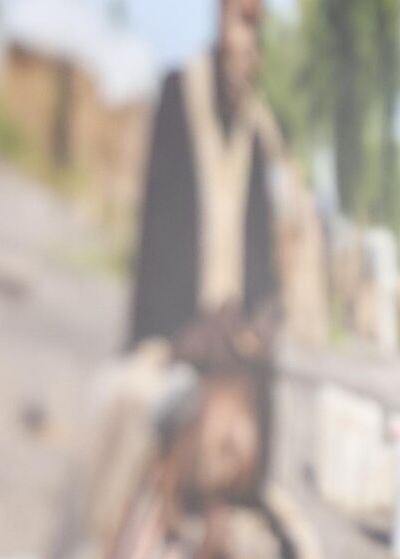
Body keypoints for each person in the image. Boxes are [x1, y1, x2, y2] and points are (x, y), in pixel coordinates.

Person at [128, 0, 281, 352]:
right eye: (242, 21)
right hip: (175, 330)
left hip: (230, 342)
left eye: (255, 26)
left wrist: (259, 322)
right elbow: (156, 226)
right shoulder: (180, 91)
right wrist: (156, 338)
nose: (248, 39)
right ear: (222, 18)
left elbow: (260, 242)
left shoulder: (255, 126)